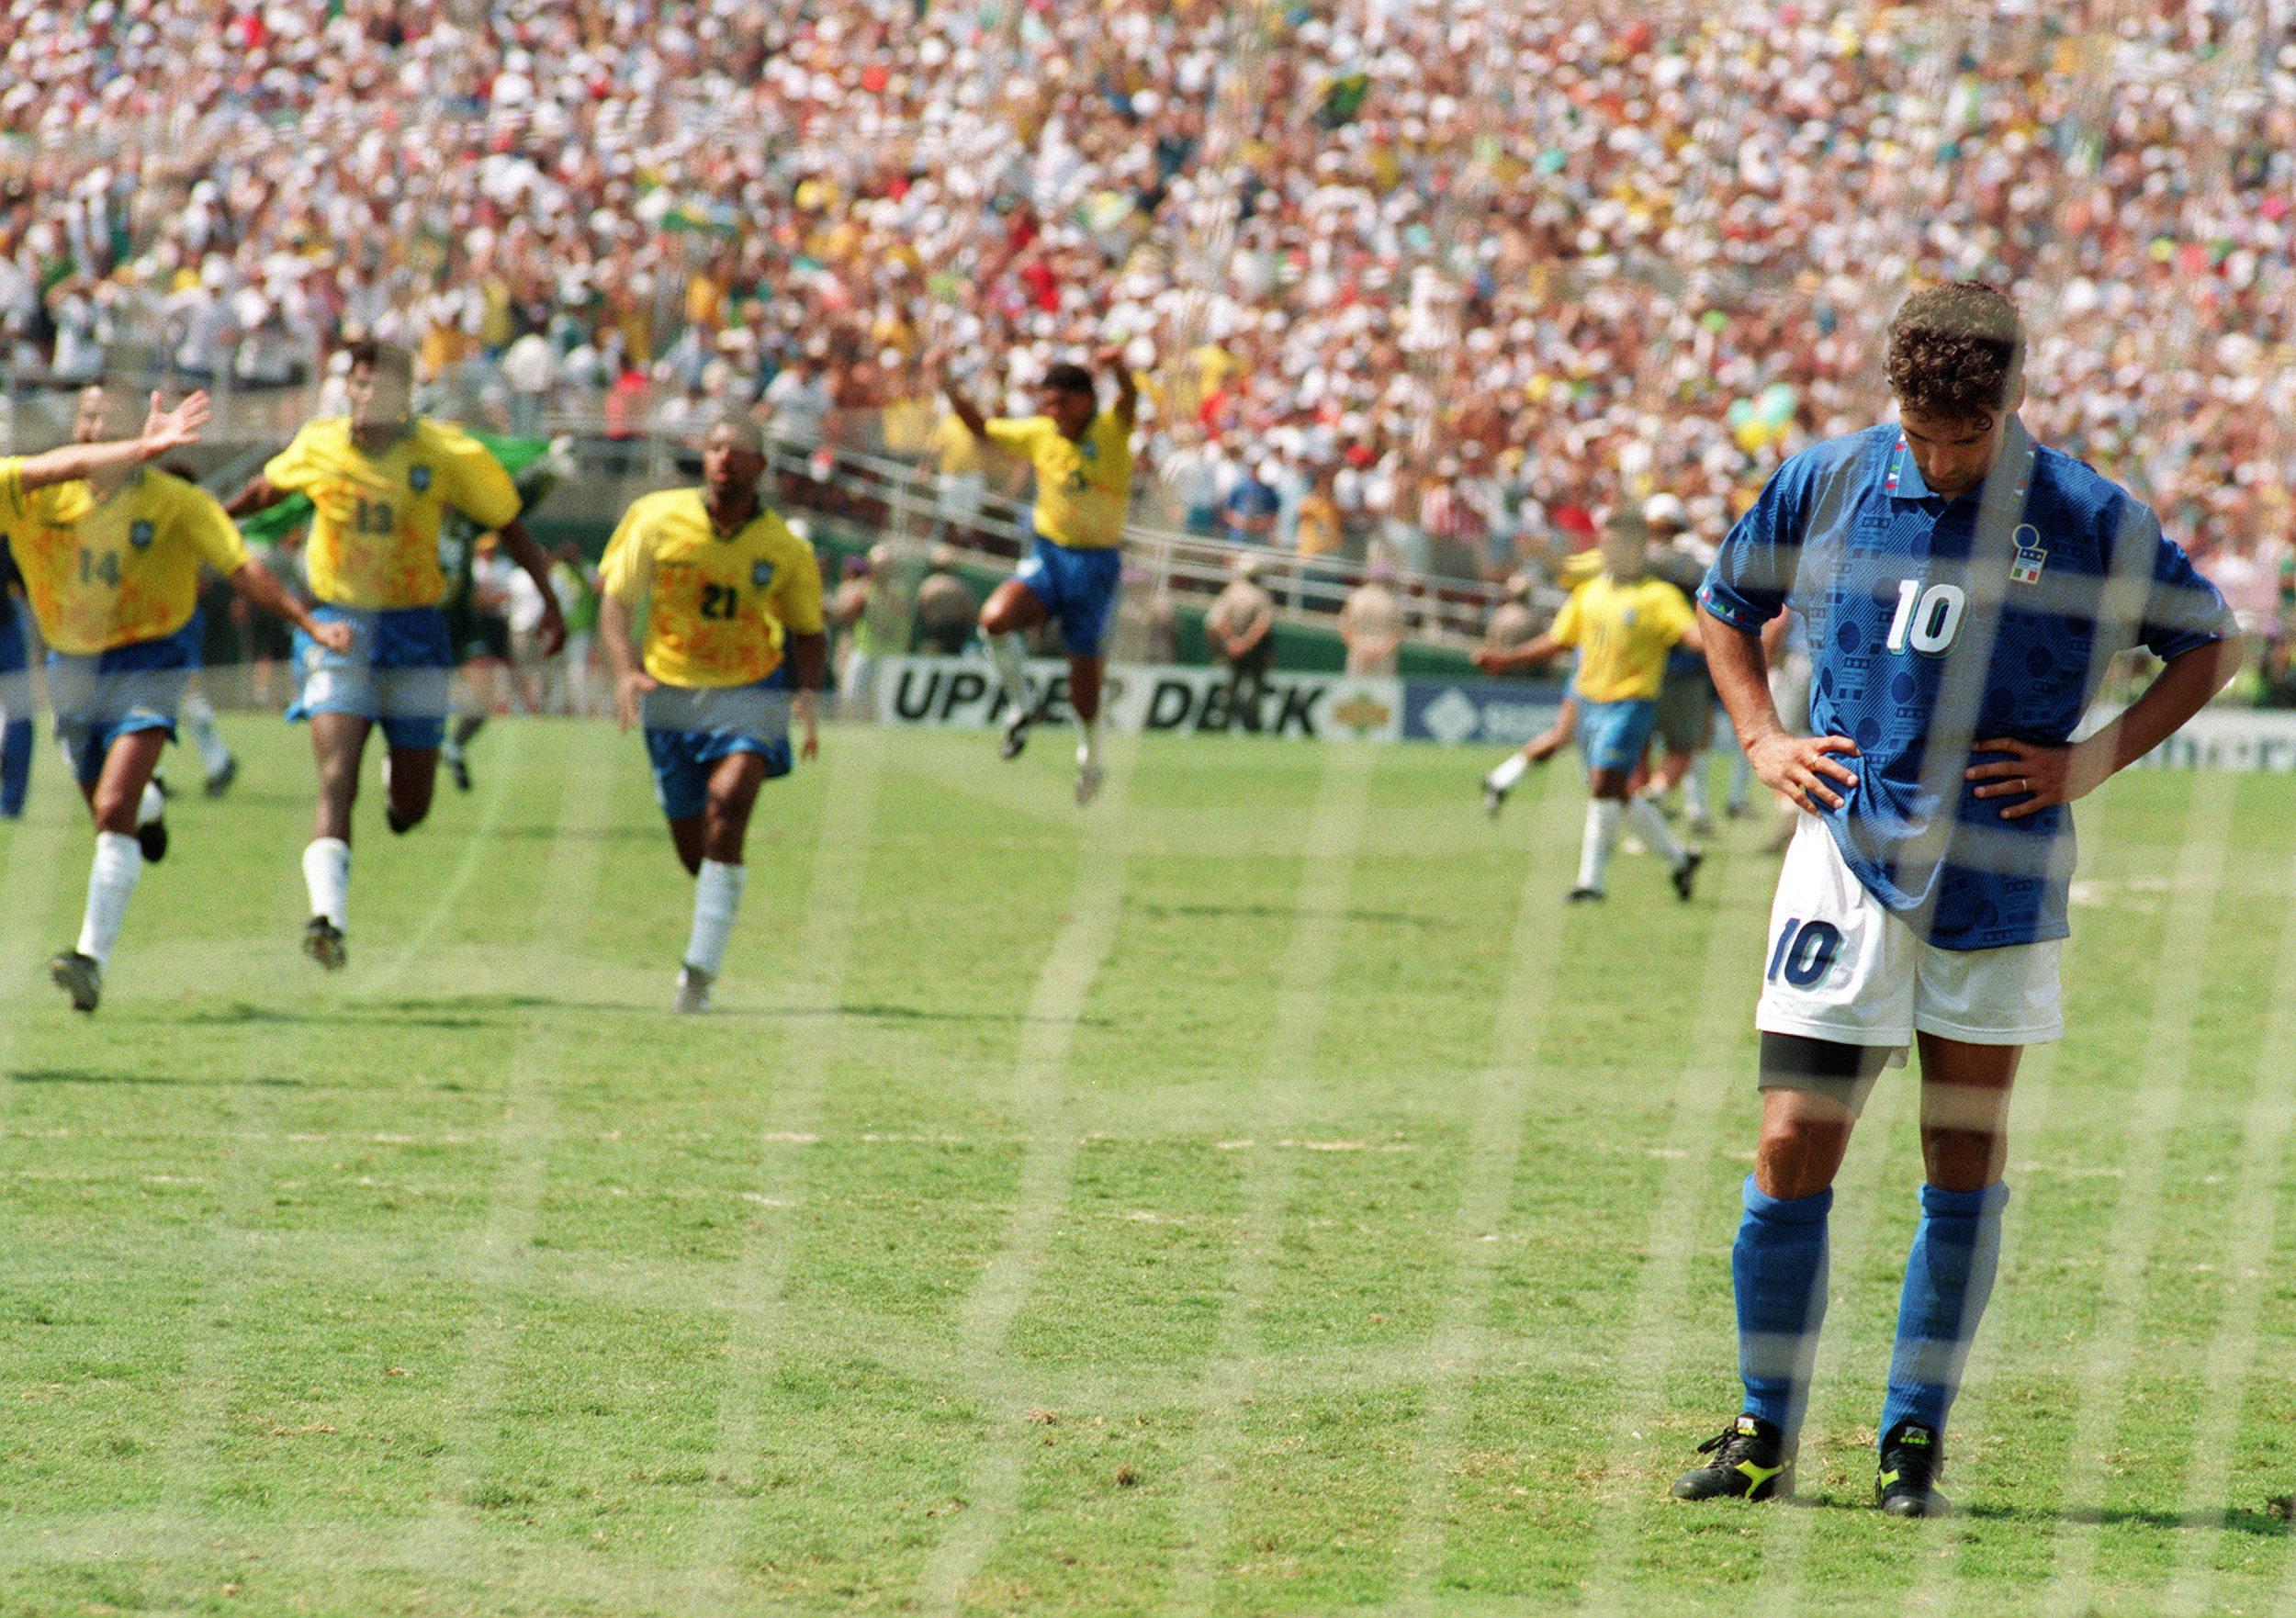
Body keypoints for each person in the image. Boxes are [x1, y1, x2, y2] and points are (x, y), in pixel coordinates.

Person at [1675, 281, 2242, 1517]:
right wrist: (1766, 736)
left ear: (2011, 404)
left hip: (2002, 867)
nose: (1938, 459)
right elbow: (1726, 607)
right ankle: (1761, 1429)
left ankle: (1910, 1442)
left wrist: (2090, 758)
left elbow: (2208, 641)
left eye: (1964, 440)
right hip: (1846, 851)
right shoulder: (1826, 480)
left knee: (1962, 1151)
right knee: (1790, 1140)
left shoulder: (2090, 513)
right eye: (1922, 436)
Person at [1, 387, 346, 1012]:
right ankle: (153, 805)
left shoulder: (175, 503)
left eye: (110, 420)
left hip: (149, 663)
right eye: (87, 418)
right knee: (121, 813)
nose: (93, 428)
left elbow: (244, 569)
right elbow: (46, 466)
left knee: (111, 811)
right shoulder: (28, 492)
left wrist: (310, 623)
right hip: (71, 669)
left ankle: (89, 961)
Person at [223, 340, 564, 972]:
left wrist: (551, 599)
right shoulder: (321, 444)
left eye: (378, 385)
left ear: (405, 395)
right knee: (334, 776)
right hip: (336, 626)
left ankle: (401, 784)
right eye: (357, 382)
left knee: (412, 809)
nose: (364, 395)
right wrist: (211, 519)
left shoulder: (445, 453)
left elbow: (509, 522)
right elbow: (267, 489)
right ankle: (328, 919)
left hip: (414, 632)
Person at [598, 413, 825, 1013]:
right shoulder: (654, 518)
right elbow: (616, 603)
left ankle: (697, 977)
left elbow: (808, 632)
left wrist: (808, 696)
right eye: (715, 447)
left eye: (738, 449)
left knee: (728, 812)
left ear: (761, 467)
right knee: (696, 851)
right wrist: (625, 671)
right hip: (669, 697)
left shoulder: (785, 547)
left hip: (751, 692)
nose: (724, 457)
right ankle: (712, 929)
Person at [929, 345, 1136, 805]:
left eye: (1061, 402)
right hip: (1050, 555)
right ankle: (1022, 705)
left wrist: (1119, 366)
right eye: (1047, 404)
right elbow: (980, 427)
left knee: (1083, 672)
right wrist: (945, 381)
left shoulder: (1111, 429)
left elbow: (1129, 399)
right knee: (995, 620)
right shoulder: (1040, 433)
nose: (1053, 412)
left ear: (1086, 399)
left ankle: (1090, 757)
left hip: (1097, 566)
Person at [1473, 511, 1705, 901]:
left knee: (1602, 783)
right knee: (1615, 790)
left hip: (1630, 702)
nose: (1608, 551)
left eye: (1616, 544)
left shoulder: (1657, 596)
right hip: (1587, 700)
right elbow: (1559, 639)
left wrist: (1729, 646)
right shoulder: (1590, 592)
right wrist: (1505, 659)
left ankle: (1590, 883)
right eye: (1605, 543)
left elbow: (1690, 634)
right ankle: (1680, 860)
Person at [1638, 491, 1720, 834]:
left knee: (1646, 746)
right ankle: (1662, 801)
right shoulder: (1694, 560)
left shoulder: (1637, 562)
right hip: (1684, 667)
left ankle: (1653, 812)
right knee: (1687, 744)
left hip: (1643, 665)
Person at [1204, 550, 1277, 732]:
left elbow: (1216, 621)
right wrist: (1245, 643)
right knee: (1255, 691)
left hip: (1233, 649)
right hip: (1254, 650)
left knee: (1231, 690)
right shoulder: (1261, 595)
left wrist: (1232, 642)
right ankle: (1251, 728)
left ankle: (1223, 727)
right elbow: (1263, 624)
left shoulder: (1231, 591)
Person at [0, 539, 30, 817]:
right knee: (19, 713)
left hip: (7, 627)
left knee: (18, 713)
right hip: (6, 626)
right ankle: (11, 802)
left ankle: (10, 802)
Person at [1337, 556, 1405, 675]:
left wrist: (1360, 649)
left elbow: (1344, 627)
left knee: (1354, 692)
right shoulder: (1393, 601)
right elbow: (1398, 632)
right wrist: (1380, 651)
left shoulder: (1356, 597)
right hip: (1383, 656)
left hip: (1359, 652)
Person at [913, 544, 981, 657]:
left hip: (937, 637)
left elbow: (920, 611)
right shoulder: (960, 586)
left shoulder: (927, 586)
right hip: (954, 639)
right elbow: (972, 614)